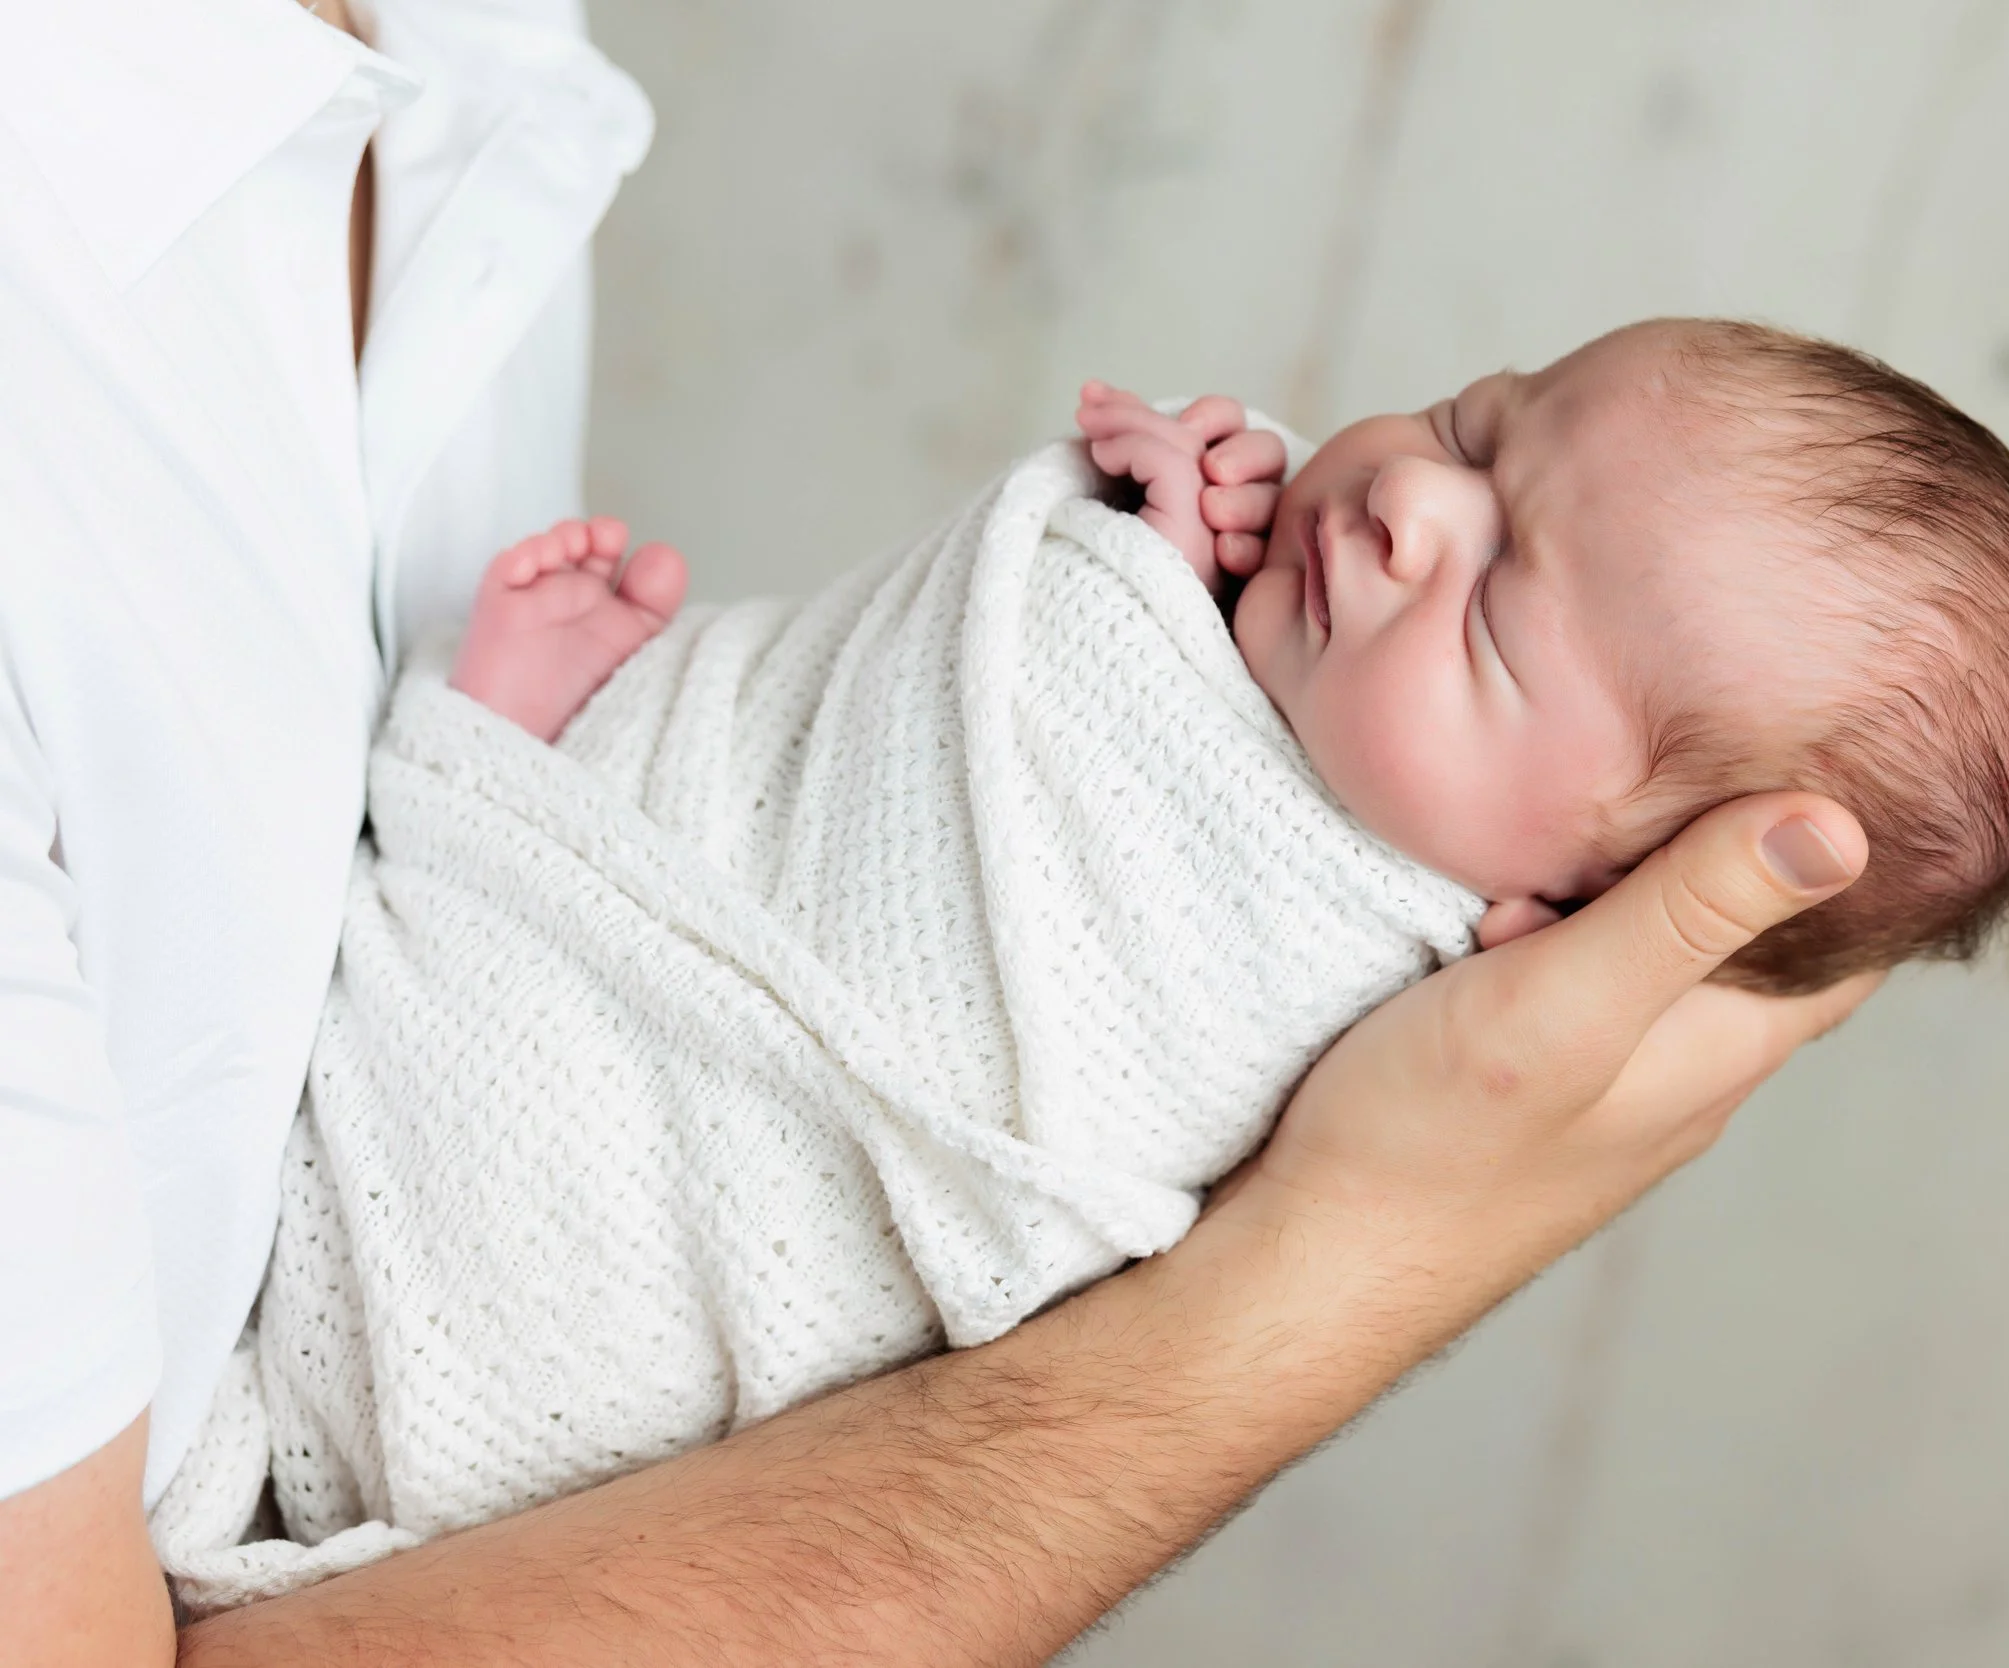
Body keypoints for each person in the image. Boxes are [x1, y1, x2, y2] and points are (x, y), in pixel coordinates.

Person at [0, 1, 1878, 1661]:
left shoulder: (472, 62)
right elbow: (937, 793)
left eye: (1491, 621)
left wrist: (528, 749)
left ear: (1559, 910)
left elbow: (935, 962)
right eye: (1474, 430)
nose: (1404, 509)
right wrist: (1328, 1281)